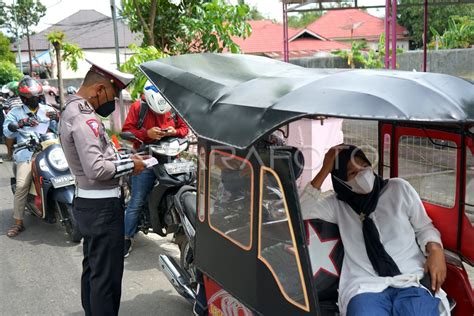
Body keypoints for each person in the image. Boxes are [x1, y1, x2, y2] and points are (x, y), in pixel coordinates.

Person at [299, 144, 449, 316]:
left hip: (410, 279)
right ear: (341, 181)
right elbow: (299, 211)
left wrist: (436, 250)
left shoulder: (398, 189)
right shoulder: (337, 205)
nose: (362, 174)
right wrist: (325, 169)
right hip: (365, 285)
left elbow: (424, 227)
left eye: (364, 166)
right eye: (352, 173)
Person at [59, 59, 145, 316]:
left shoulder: (72, 111)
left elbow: (98, 159)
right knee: (106, 279)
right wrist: (131, 165)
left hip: (90, 204)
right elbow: (97, 169)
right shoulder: (86, 119)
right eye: (114, 94)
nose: (114, 101)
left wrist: (124, 158)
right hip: (102, 207)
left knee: (94, 271)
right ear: (99, 90)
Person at [121, 80, 189, 257]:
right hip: (146, 158)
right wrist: (147, 134)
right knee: (137, 200)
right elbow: (126, 130)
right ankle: (126, 237)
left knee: (188, 185)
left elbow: (184, 129)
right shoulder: (138, 107)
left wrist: (172, 131)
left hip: (170, 157)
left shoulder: (173, 107)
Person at [3, 76, 59, 237]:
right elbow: (7, 131)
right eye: (32, 97)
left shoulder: (46, 109)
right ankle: (18, 222)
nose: (36, 99)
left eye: (38, 96)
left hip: (48, 149)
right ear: (23, 98)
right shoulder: (15, 112)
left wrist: (57, 118)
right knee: (22, 186)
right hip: (26, 152)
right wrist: (20, 123)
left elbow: (56, 129)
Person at [2, 81, 22, 161]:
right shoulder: (9, 100)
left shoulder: (23, 98)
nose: (9, 92)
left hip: (25, 121)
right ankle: (9, 154)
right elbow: (7, 111)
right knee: (9, 135)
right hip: (13, 120)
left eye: (10, 90)